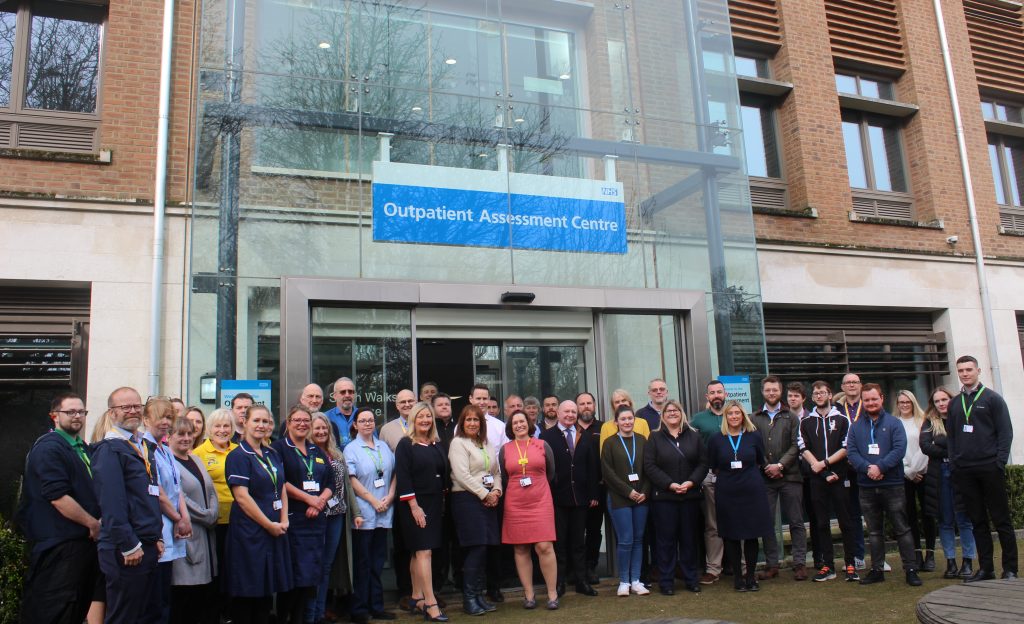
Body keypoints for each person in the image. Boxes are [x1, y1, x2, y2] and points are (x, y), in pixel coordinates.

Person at [17, 392, 101, 624]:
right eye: (70, 412)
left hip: (81, 546)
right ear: (54, 416)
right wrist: (92, 523)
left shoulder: (81, 447)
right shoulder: (50, 448)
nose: (77, 416)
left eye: (81, 412)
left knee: (75, 609)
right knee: (54, 610)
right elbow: (57, 497)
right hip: (59, 546)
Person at [92, 387, 164, 624]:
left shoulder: (143, 446)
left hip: (147, 546)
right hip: (127, 551)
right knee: (125, 616)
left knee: (146, 615)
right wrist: (129, 544)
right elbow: (112, 503)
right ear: (112, 413)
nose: (132, 411)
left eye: (136, 406)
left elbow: (147, 497)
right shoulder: (110, 450)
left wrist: (157, 537)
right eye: (125, 407)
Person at [946, 355, 1017, 581]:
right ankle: (986, 568)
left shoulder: (993, 399)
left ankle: (1010, 568)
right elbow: (952, 437)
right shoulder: (955, 403)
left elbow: (1005, 433)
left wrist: (999, 463)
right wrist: (955, 462)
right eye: (961, 370)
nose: (965, 374)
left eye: (969, 369)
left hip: (989, 467)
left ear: (978, 371)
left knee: (1001, 520)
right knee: (977, 521)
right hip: (965, 470)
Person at [846, 383, 921, 586]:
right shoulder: (855, 426)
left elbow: (899, 449)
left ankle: (911, 569)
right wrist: (868, 468)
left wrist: (880, 467)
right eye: (867, 400)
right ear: (863, 401)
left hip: (893, 484)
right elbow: (851, 452)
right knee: (874, 531)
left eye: (874, 399)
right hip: (866, 486)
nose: (870, 403)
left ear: (881, 398)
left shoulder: (894, 423)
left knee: (902, 529)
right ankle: (877, 569)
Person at [224, 405, 293, 624]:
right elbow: (242, 498)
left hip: (274, 527)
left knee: (267, 586)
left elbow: (281, 486)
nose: (261, 426)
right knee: (249, 586)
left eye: (265, 421)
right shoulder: (238, 456)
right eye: (256, 421)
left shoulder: (272, 453)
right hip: (250, 531)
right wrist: (268, 525)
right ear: (244, 422)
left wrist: (283, 519)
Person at [271, 405, 334, 624]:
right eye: (297, 420)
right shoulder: (278, 448)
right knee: (292, 576)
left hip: (316, 522)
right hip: (293, 521)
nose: (302, 424)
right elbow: (280, 481)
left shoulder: (316, 450)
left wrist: (319, 502)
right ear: (288, 423)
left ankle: (303, 618)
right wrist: (308, 499)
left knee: (309, 578)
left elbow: (330, 482)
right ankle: (284, 618)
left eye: (306, 420)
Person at [642, 399, 708, 595]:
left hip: (690, 496)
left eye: (675, 410)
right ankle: (666, 581)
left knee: (689, 540)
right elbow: (649, 466)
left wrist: (690, 482)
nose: (672, 413)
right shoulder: (654, 438)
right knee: (666, 542)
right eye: (668, 411)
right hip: (664, 498)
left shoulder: (694, 436)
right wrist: (670, 484)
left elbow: (703, 464)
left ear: (681, 414)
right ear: (662, 415)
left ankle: (691, 579)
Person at [706, 401, 772, 592]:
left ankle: (750, 577)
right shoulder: (716, 439)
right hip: (727, 491)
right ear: (725, 417)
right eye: (730, 414)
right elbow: (713, 465)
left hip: (752, 490)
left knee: (751, 535)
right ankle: (737, 578)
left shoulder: (754, 436)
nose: (734, 416)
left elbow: (761, 460)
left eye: (738, 413)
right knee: (731, 535)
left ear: (743, 416)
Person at [395, 402, 450, 622]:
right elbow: (404, 476)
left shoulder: (435, 443)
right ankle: (430, 602)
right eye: (421, 417)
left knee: (420, 552)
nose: (425, 420)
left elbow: (442, 473)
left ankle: (416, 596)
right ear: (413, 420)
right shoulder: (405, 444)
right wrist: (414, 507)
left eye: (428, 416)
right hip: (415, 505)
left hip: (435, 504)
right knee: (423, 551)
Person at [539, 400, 600, 597]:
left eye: (573, 412)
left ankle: (581, 581)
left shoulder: (586, 436)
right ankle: (559, 583)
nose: (570, 415)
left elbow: (593, 467)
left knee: (578, 543)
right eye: (566, 411)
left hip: (581, 498)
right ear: (557, 413)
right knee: (560, 543)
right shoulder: (546, 436)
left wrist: (593, 494)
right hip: (557, 498)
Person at [498, 412, 559, 610]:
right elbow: (505, 477)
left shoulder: (542, 445)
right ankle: (529, 594)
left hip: (540, 501)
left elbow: (550, 473)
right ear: (510, 427)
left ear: (529, 423)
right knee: (521, 548)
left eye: (522, 421)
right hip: (515, 503)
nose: (519, 425)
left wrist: (536, 487)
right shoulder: (505, 449)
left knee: (544, 547)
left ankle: (552, 593)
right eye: (514, 423)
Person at [798, 381, 858, 582]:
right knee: (821, 523)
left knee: (846, 522)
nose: (819, 396)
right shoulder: (806, 421)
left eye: (822, 392)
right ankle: (828, 565)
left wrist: (824, 463)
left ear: (830, 395)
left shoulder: (842, 419)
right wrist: (820, 469)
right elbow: (803, 447)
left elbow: (846, 447)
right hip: (817, 480)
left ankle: (850, 564)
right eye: (815, 393)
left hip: (839, 478)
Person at [310, 412, 365, 624]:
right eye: (317, 428)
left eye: (325, 428)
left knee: (327, 566)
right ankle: (311, 613)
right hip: (316, 515)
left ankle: (320, 610)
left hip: (337, 516)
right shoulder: (307, 453)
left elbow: (348, 487)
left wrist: (356, 512)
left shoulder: (337, 453)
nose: (322, 432)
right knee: (316, 565)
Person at [750, 375, 807, 581]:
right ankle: (772, 564)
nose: (771, 393)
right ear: (762, 392)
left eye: (774, 390)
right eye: (767, 390)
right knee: (767, 523)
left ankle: (799, 563)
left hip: (790, 476)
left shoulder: (791, 417)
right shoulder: (754, 418)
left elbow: (795, 445)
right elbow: (754, 446)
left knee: (796, 521)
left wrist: (781, 465)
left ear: (780, 392)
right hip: (765, 478)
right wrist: (766, 466)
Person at [448, 405, 502, 615]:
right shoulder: (458, 443)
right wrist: (484, 494)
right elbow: (462, 475)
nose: (472, 423)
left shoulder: (485, 444)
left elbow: (496, 472)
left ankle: (479, 595)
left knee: (485, 548)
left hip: (488, 501)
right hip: (467, 500)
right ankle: (469, 598)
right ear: (462, 423)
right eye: (468, 420)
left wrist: (496, 491)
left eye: (476, 420)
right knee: (476, 548)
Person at [346, 409, 398, 624]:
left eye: (370, 420)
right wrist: (374, 501)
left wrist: (391, 496)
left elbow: (395, 473)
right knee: (363, 563)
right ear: (355, 425)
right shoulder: (351, 449)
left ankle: (377, 606)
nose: (367, 424)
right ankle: (359, 609)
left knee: (377, 562)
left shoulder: (383, 446)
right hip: (365, 513)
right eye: (362, 421)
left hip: (384, 511)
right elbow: (352, 480)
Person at [142, 398, 191, 623]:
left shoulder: (165, 449)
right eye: (159, 417)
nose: (165, 422)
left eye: (168, 417)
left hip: (173, 525)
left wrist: (183, 517)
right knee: (154, 599)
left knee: (164, 596)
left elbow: (176, 487)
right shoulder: (145, 448)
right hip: (159, 526)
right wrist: (177, 517)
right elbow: (158, 491)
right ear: (145, 419)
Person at [920, 387, 976, 579]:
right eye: (937, 401)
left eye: (944, 399)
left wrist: (942, 444)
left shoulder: (961, 417)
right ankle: (951, 562)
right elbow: (925, 446)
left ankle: (968, 561)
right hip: (940, 474)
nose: (942, 403)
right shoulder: (929, 422)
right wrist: (951, 450)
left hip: (961, 473)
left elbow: (968, 443)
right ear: (933, 404)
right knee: (945, 521)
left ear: (951, 399)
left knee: (965, 519)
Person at [168, 416, 219, 624]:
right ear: (169, 436)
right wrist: (206, 515)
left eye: (190, 433)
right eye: (180, 434)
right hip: (187, 534)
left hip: (206, 534)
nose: (186, 438)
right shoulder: (168, 461)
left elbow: (211, 491)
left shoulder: (196, 459)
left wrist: (213, 512)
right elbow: (179, 496)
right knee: (184, 598)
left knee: (202, 597)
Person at [601, 405, 651, 597]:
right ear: (617, 422)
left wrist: (644, 491)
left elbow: (649, 468)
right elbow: (608, 473)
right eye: (623, 419)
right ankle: (623, 581)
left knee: (639, 540)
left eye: (630, 418)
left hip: (641, 498)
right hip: (619, 498)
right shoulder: (610, 443)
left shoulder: (643, 440)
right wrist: (629, 492)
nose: (627, 422)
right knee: (626, 540)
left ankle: (636, 580)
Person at [193, 407, 237, 617]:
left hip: (238, 520)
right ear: (209, 429)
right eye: (217, 426)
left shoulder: (239, 450)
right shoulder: (198, 454)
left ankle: (230, 612)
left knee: (232, 569)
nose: (222, 430)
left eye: (226, 426)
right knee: (215, 569)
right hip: (213, 521)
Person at [378, 389, 417, 606]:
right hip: (399, 490)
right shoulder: (387, 429)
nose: (407, 404)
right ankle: (405, 590)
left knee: (424, 544)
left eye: (411, 401)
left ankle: (426, 589)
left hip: (423, 490)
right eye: (402, 402)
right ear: (396, 405)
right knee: (402, 543)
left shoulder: (425, 423)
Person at [688, 379, 727, 584]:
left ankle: (742, 566)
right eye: (712, 393)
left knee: (738, 520)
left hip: (733, 477)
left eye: (719, 392)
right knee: (712, 525)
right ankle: (713, 568)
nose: (716, 396)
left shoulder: (735, 414)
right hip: (710, 477)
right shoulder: (698, 420)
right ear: (707, 397)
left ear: (725, 394)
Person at [893, 389, 935, 572]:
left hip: (924, 473)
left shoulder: (923, 421)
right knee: (909, 516)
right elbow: (894, 450)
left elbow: (925, 447)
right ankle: (916, 553)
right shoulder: (894, 423)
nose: (904, 405)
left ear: (913, 402)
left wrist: (916, 469)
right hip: (904, 476)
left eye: (907, 402)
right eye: (901, 402)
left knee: (928, 515)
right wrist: (908, 471)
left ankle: (930, 554)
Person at [836, 373, 867, 569]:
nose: (852, 385)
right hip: (845, 467)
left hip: (867, 466)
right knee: (852, 513)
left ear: (860, 385)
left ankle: (880, 557)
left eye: (855, 382)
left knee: (873, 512)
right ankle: (858, 555)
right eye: (848, 383)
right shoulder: (837, 409)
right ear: (842, 386)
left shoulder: (870, 405)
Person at [789, 381, 821, 571]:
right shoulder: (782, 418)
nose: (793, 399)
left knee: (815, 516)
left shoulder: (811, 418)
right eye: (790, 396)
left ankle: (818, 557)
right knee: (795, 518)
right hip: (791, 474)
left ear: (803, 399)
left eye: (796, 396)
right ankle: (797, 559)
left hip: (810, 473)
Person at [325, 377, 359, 447]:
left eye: (350, 392)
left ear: (355, 395)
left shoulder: (363, 416)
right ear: (334, 396)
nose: (347, 395)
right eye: (343, 392)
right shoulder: (325, 418)